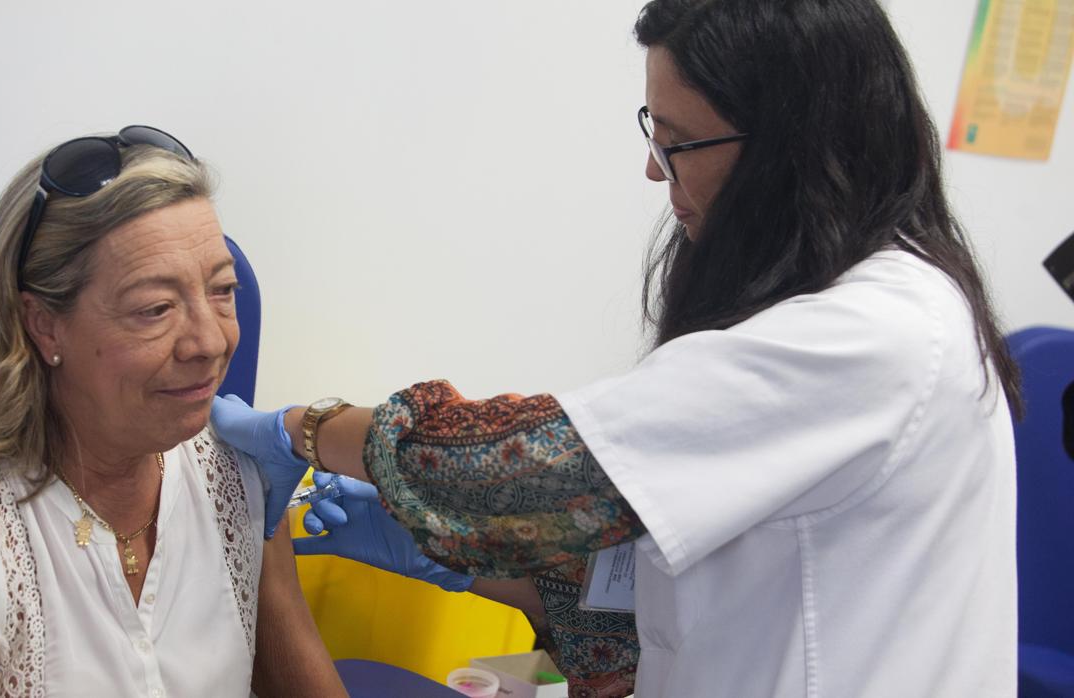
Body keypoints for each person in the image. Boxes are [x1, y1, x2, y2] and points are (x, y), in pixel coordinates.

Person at [211, 0, 1022, 696]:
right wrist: (462, 564)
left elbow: (528, 469)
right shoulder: (863, 307)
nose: (651, 168)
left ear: (789, 148)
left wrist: (306, 428)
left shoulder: (871, 335)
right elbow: (688, 601)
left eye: (677, 139)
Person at [0, 128, 346, 696]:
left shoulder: (237, 473)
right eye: (155, 308)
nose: (210, 341)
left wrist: (327, 433)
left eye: (223, 291)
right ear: (44, 324)